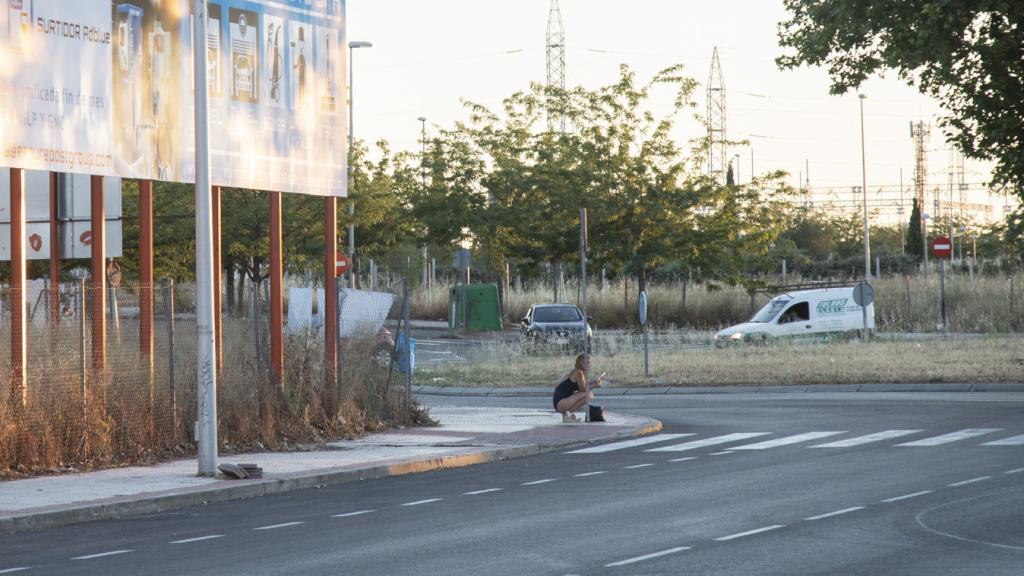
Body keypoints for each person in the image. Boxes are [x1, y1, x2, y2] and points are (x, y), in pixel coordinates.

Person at [552, 354, 606, 423]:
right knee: (589, 394)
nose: (589, 365)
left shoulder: (576, 371)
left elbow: (583, 385)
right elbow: (583, 389)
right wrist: (595, 385)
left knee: (588, 394)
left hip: (559, 402)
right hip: (561, 403)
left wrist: (594, 382)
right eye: (587, 362)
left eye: (590, 362)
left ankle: (567, 415)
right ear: (581, 363)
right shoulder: (579, 373)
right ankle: (567, 415)